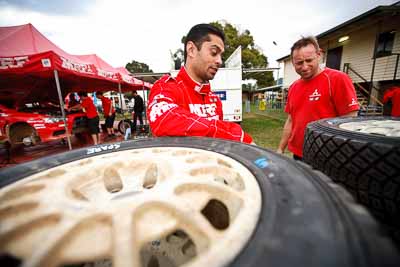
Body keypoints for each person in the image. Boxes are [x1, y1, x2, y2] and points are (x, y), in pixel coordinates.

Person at [147, 23, 253, 143]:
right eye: (214, 52)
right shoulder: (165, 87)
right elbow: (163, 119)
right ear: (191, 50)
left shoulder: (214, 100)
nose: (219, 61)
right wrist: (234, 133)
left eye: (220, 55)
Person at [277, 36, 359, 160]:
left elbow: (350, 119)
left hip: (327, 155)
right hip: (299, 153)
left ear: (319, 55)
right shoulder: (293, 87)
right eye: (299, 63)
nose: (304, 67)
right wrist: (280, 149)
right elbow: (290, 120)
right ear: (293, 62)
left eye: (309, 60)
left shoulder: (337, 79)